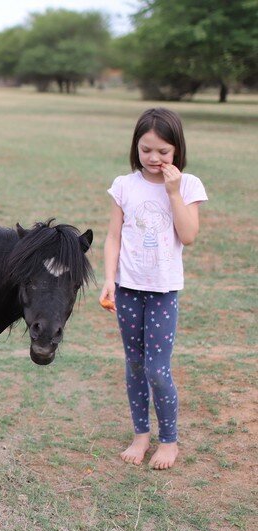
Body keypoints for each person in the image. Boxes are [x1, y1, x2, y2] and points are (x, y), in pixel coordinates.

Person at [99, 107, 207, 469]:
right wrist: (108, 279)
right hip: (128, 289)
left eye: (163, 151)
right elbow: (113, 236)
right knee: (134, 365)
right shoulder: (124, 185)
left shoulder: (188, 185)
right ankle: (141, 435)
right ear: (136, 147)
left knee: (157, 369)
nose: (154, 158)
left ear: (177, 150)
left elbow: (188, 236)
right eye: (147, 150)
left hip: (163, 292)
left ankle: (169, 441)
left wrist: (174, 193)